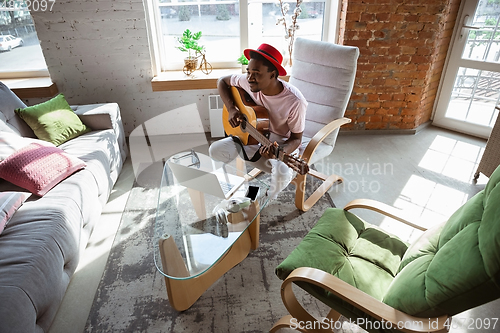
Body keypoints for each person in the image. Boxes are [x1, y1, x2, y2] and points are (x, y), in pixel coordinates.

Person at [209, 43, 308, 200]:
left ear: (272, 74)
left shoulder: (295, 101)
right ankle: (239, 182)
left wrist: (279, 152)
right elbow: (222, 81)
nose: (249, 78)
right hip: (252, 136)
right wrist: (232, 108)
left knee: (282, 172)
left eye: (256, 73)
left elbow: (296, 139)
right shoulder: (247, 82)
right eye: (248, 72)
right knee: (214, 150)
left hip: (279, 142)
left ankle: (269, 196)